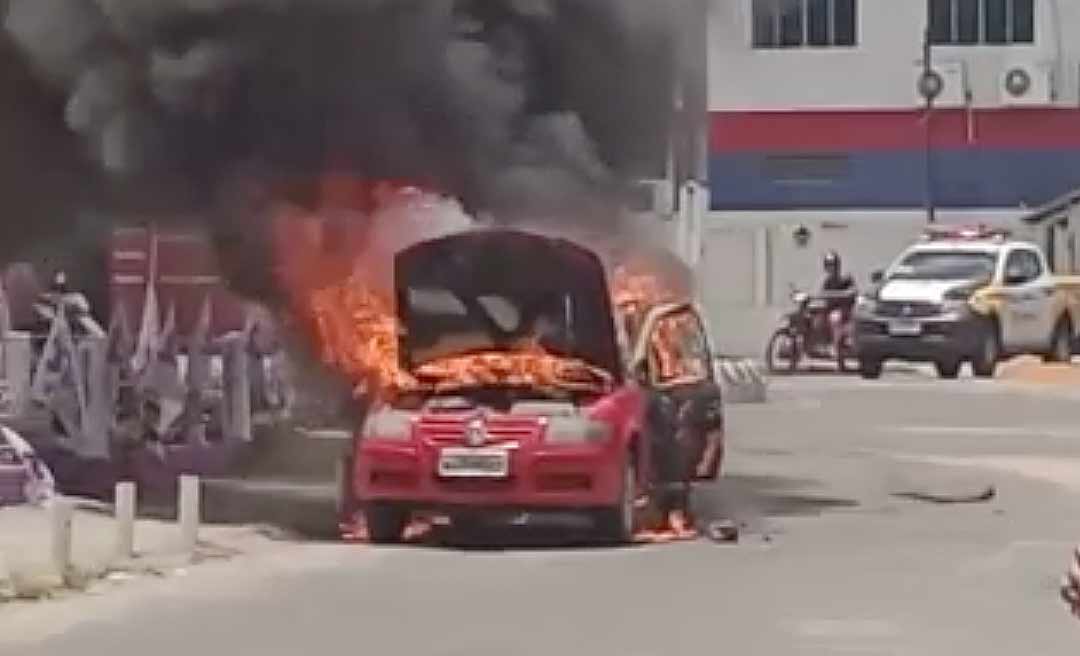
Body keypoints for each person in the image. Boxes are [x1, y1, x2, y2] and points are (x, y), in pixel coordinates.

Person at [819, 251, 857, 353]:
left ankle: (835, 347)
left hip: (844, 311)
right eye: (828, 265)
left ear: (837, 265)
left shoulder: (846, 278)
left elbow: (853, 291)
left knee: (834, 318)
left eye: (832, 264)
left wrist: (845, 294)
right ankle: (818, 345)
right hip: (829, 309)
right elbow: (822, 295)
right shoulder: (827, 282)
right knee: (815, 317)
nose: (830, 268)